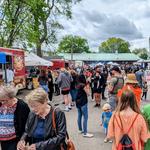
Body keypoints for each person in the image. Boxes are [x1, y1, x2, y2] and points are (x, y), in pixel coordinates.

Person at [0, 85, 30, 150]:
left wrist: (22, 140)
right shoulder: (1, 104)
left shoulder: (22, 106)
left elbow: (27, 126)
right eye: (1, 101)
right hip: (2, 140)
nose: (2, 103)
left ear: (12, 97)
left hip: (14, 140)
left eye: (4, 100)